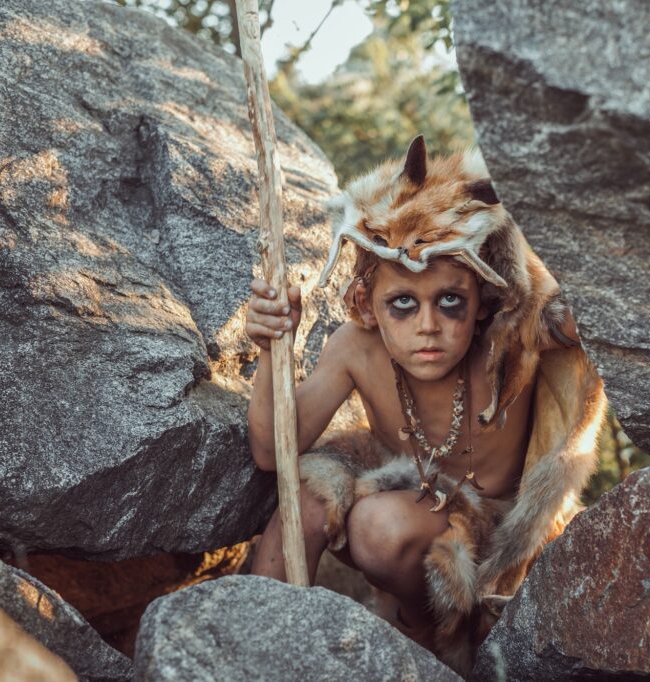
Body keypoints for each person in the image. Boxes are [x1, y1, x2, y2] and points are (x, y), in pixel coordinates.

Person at [243, 137, 605, 673]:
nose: (428, 326)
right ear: (366, 304)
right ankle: (247, 635)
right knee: (309, 492)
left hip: (492, 544)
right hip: (401, 493)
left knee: (377, 527)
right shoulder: (356, 346)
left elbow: (590, 312)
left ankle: (431, 633)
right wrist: (275, 347)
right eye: (402, 304)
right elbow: (272, 452)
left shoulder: (514, 336)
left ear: (484, 300)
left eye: (450, 301)